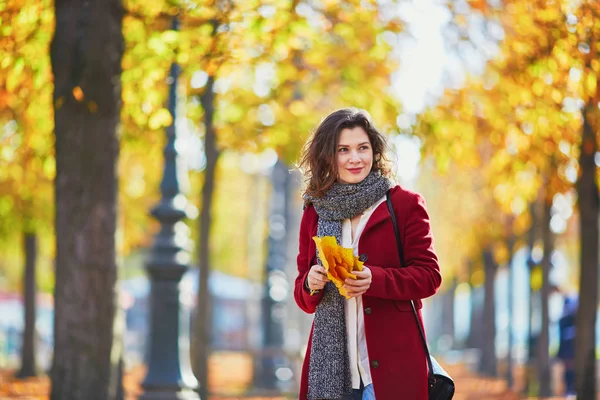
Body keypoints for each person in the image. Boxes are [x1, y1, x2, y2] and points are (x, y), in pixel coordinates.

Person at [293, 108, 442, 400]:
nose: (354, 158)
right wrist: (312, 281)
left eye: (363, 148)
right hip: (332, 373)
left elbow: (430, 277)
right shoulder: (315, 211)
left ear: (374, 152)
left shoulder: (404, 205)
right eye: (343, 150)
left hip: (391, 368)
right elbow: (302, 295)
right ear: (328, 156)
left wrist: (375, 278)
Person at [557, 295, 577, 398]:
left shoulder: (575, 319)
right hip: (567, 350)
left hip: (571, 350)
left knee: (572, 371)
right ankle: (569, 391)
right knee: (568, 371)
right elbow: (561, 337)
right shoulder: (563, 320)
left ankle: (571, 391)